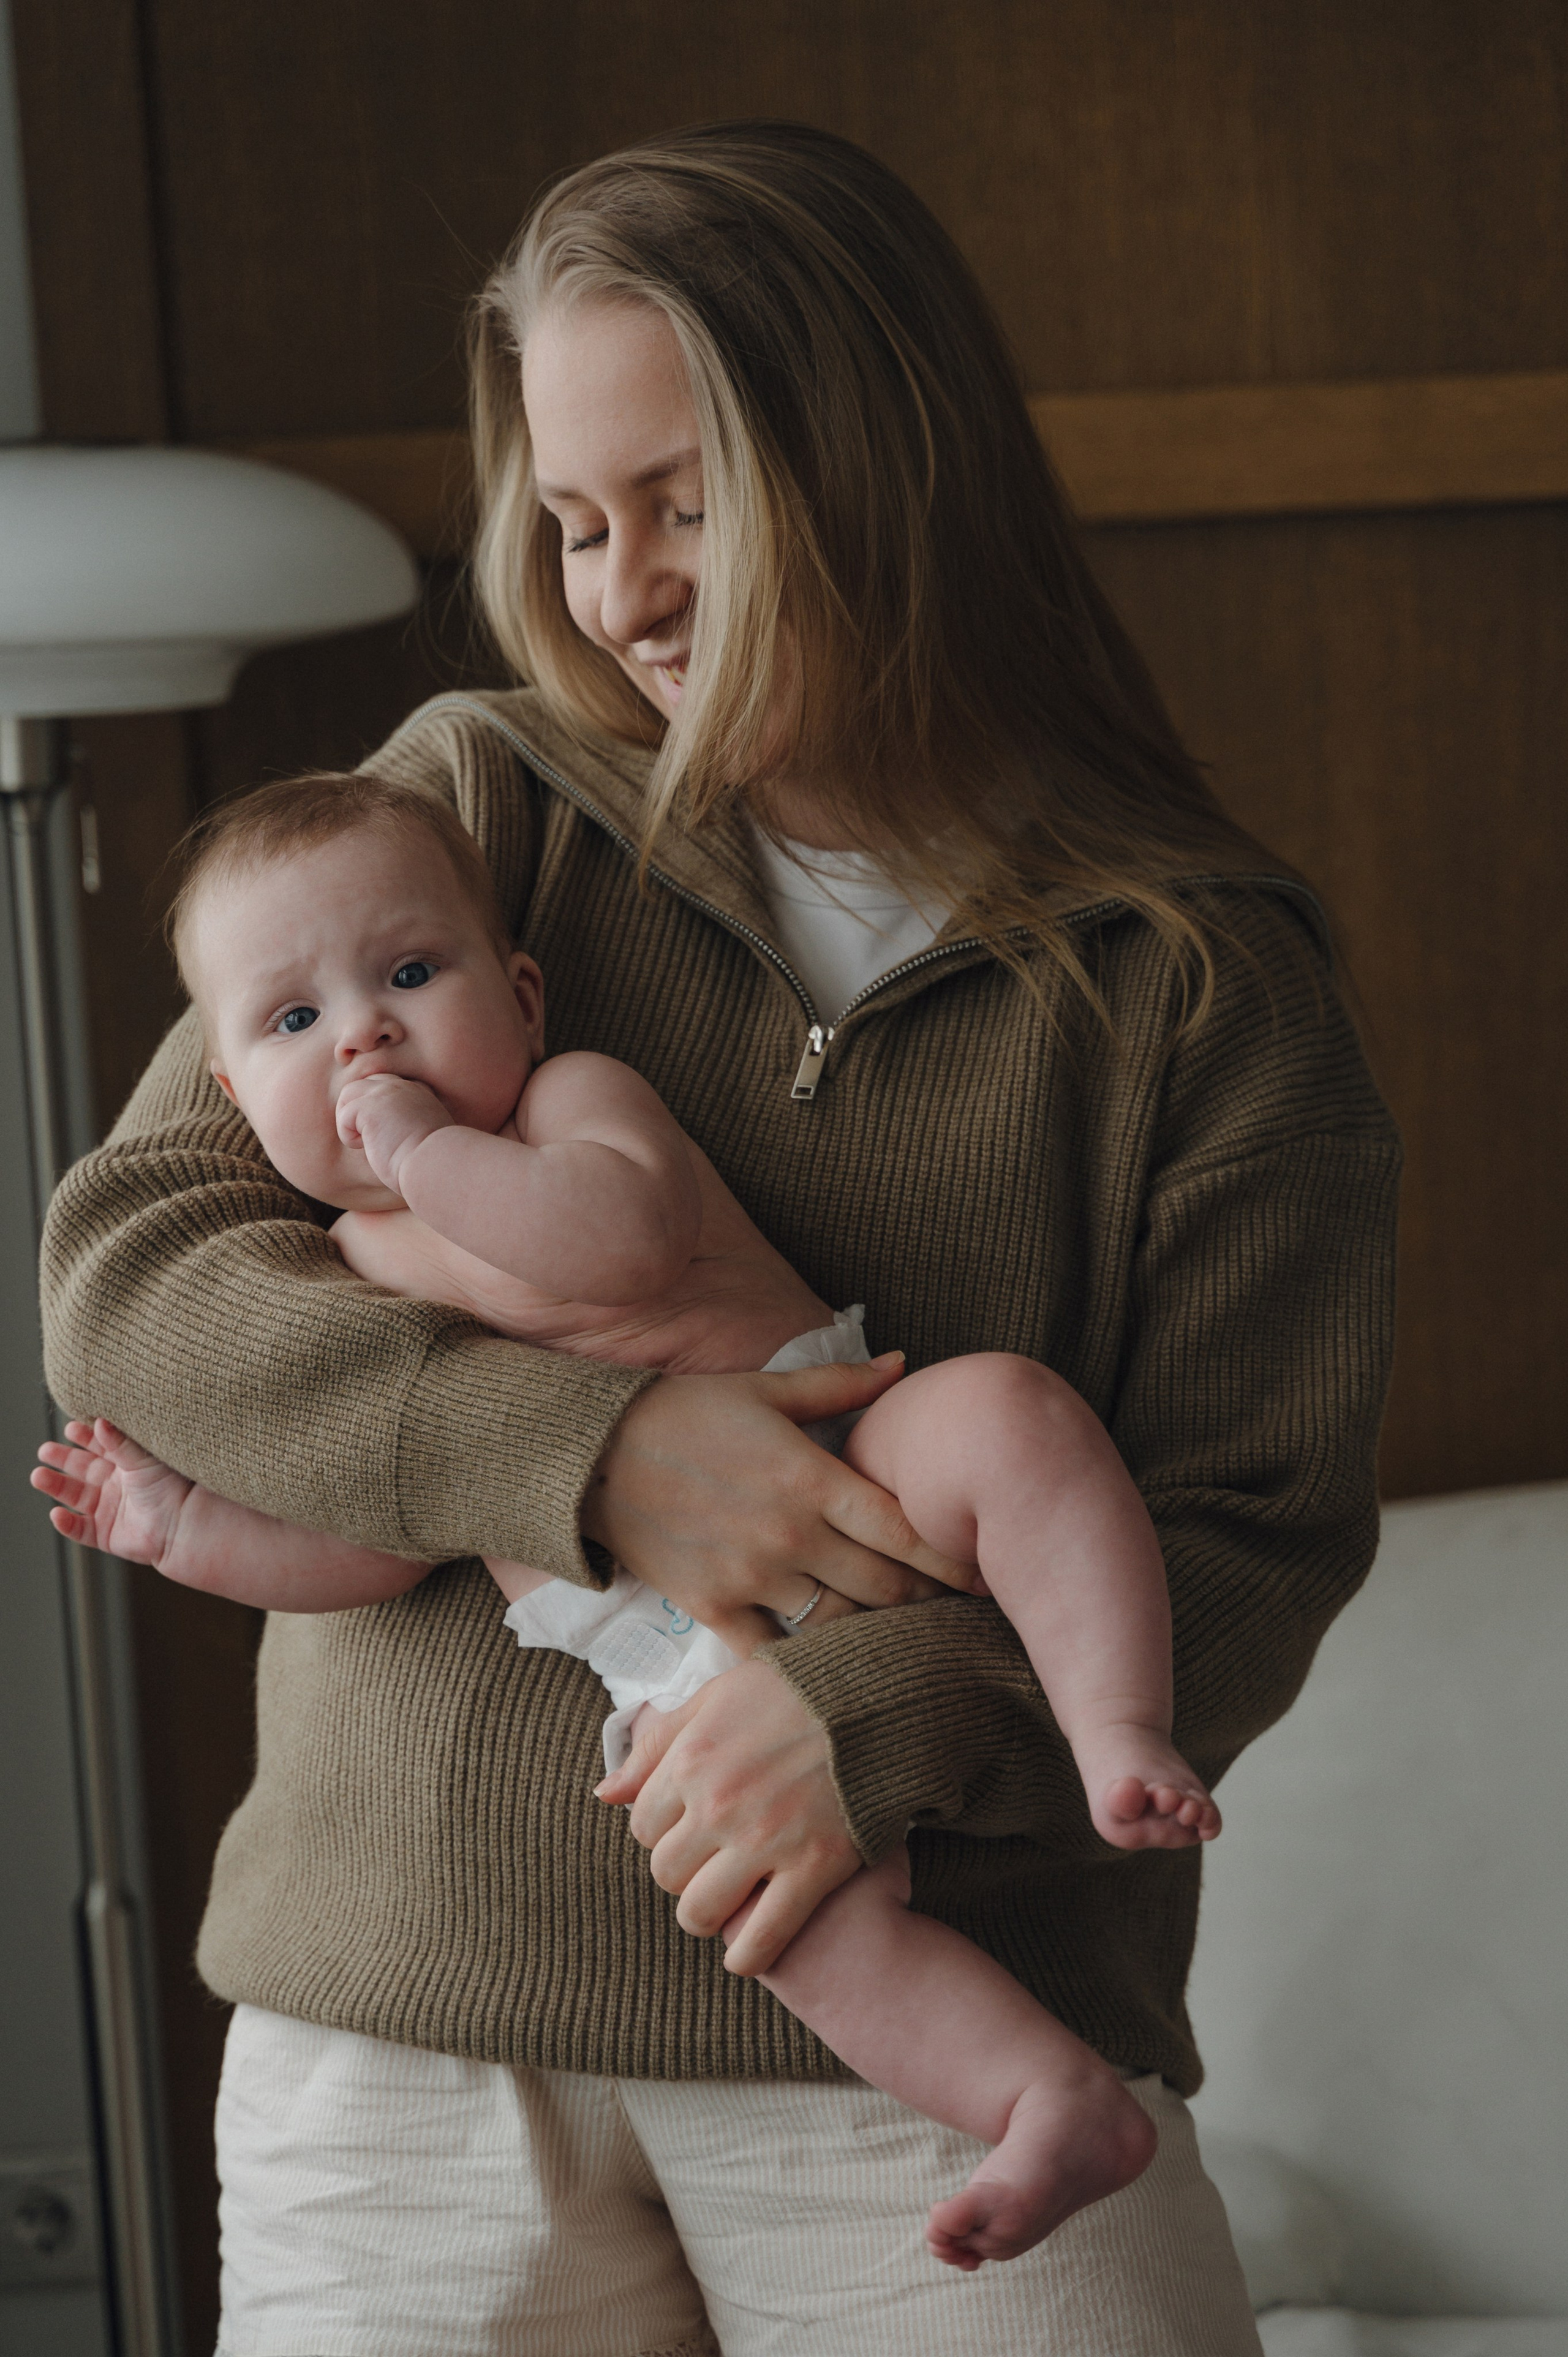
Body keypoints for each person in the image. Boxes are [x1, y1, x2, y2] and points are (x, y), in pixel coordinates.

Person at [39, 122, 1400, 2355]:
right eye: (575, 522)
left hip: (939, 2032)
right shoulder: (464, 808)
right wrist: (597, 1458)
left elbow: (1250, 1533)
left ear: (888, 468)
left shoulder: (1206, 984)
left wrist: (865, 1710)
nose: (621, 590)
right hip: (410, 2045)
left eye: (682, 503)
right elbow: (134, 1276)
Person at [37, 766, 1227, 2266]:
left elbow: (615, 1248)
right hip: (667, 1667)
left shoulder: (566, 1104)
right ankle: (1043, 2095)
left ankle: (1114, 1724)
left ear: (520, 995)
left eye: (410, 974)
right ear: (226, 1093)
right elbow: (375, 1539)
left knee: (1010, 1415)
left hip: (853, 1442)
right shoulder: (337, 1266)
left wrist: (424, 1155)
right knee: (781, 1914)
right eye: (292, 1022)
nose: (363, 1032)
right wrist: (181, 1530)